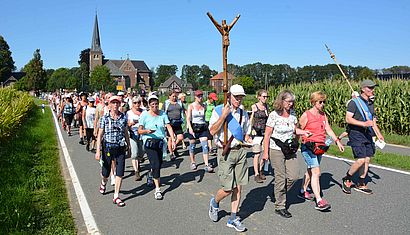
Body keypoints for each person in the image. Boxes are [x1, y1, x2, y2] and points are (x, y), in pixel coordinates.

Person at [208, 84, 251, 232]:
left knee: (239, 186)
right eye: (236, 96)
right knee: (228, 188)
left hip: (240, 151)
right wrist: (224, 116)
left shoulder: (243, 112)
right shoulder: (219, 110)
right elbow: (212, 130)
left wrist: (248, 138)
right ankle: (215, 202)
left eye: (241, 97)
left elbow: (245, 132)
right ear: (229, 96)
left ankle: (233, 218)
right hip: (225, 151)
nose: (239, 99)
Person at [262, 90, 311, 218]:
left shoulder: (293, 114)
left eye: (292, 101)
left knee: (294, 176)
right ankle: (280, 206)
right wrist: (265, 153)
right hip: (276, 149)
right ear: (282, 101)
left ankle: (278, 192)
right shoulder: (274, 115)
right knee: (280, 177)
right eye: (288, 101)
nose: (291, 104)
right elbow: (267, 135)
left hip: (289, 149)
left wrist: (303, 132)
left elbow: (294, 129)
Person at [298, 91, 345, 211]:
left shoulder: (323, 115)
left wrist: (337, 141)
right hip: (308, 147)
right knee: (316, 172)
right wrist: (294, 145)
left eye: (324, 102)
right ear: (313, 102)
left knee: (311, 170)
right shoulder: (306, 115)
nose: (322, 104)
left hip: (319, 148)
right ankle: (319, 200)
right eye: (320, 102)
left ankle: (303, 190)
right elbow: (298, 130)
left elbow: (328, 129)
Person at [342, 80, 384, 195]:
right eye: (370, 88)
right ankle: (347, 178)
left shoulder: (370, 104)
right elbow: (348, 119)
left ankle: (361, 183)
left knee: (367, 159)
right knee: (360, 159)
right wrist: (363, 124)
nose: (372, 90)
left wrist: (378, 134)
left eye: (373, 88)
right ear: (363, 89)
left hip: (368, 134)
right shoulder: (354, 103)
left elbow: (372, 121)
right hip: (356, 134)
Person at [95, 95, 131, 207]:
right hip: (108, 147)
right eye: (113, 103)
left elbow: (125, 132)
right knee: (105, 172)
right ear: (109, 105)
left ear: (120, 105)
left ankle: (116, 196)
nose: (115, 105)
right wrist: (98, 150)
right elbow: (100, 134)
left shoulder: (123, 118)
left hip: (120, 148)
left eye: (117, 103)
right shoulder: (105, 118)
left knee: (120, 172)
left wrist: (128, 146)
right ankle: (103, 183)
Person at [138, 95, 176, 200]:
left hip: (160, 142)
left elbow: (168, 126)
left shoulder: (162, 114)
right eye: (152, 104)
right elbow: (139, 130)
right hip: (149, 142)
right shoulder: (144, 115)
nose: (154, 106)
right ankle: (158, 189)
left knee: (158, 164)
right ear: (149, 105)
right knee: (155, 164)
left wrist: (172, 139)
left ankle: (151, 174)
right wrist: (147, 131)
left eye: (156, 104)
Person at [186, 90, 214, 172]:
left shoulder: (204, 106)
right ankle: (193, 162)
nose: (200, 98)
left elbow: (206, 116)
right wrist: (190, 128)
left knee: (205, 146)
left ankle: (206, 164)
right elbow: (188, 118)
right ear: (195, 97)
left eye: (201, 96)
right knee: (192, 145)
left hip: (202, 127)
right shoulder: (191, 106)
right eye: (198, 96)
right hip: (193, 126)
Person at [250, 89, 269, 183]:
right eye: (264, 96)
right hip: (256, 132)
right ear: (259, 97)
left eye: (266, 97)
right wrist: (250, 131)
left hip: (265, 132)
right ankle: (256, 173)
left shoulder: (266, 107)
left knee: (264, 153)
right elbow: (251, 119)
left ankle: (261, 169)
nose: (265, 98)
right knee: (257, 153)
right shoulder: (254, 106)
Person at [163, 90, 185, 160]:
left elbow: (184, 110)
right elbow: (163, 112)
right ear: (169, 96)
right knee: (170, 138)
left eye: (175, 96)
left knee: (180, 137)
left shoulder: (179, 102)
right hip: (170, 123)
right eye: (173, 96)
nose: (174, 97)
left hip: (178, 122)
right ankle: (171, 153)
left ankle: (173, 147)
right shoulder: (166, 103)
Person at [127, 96, 144, 181]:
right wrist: (131, 124)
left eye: (138, 102)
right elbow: (126, 125)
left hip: (142, 135)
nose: (137, 104)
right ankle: (136, 172)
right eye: (135, 103)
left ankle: (139, 161)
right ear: (132, 104)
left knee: (141, 153)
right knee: (134, 154)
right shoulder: (129, 113)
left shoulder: (144, 112)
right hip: (133, 134)